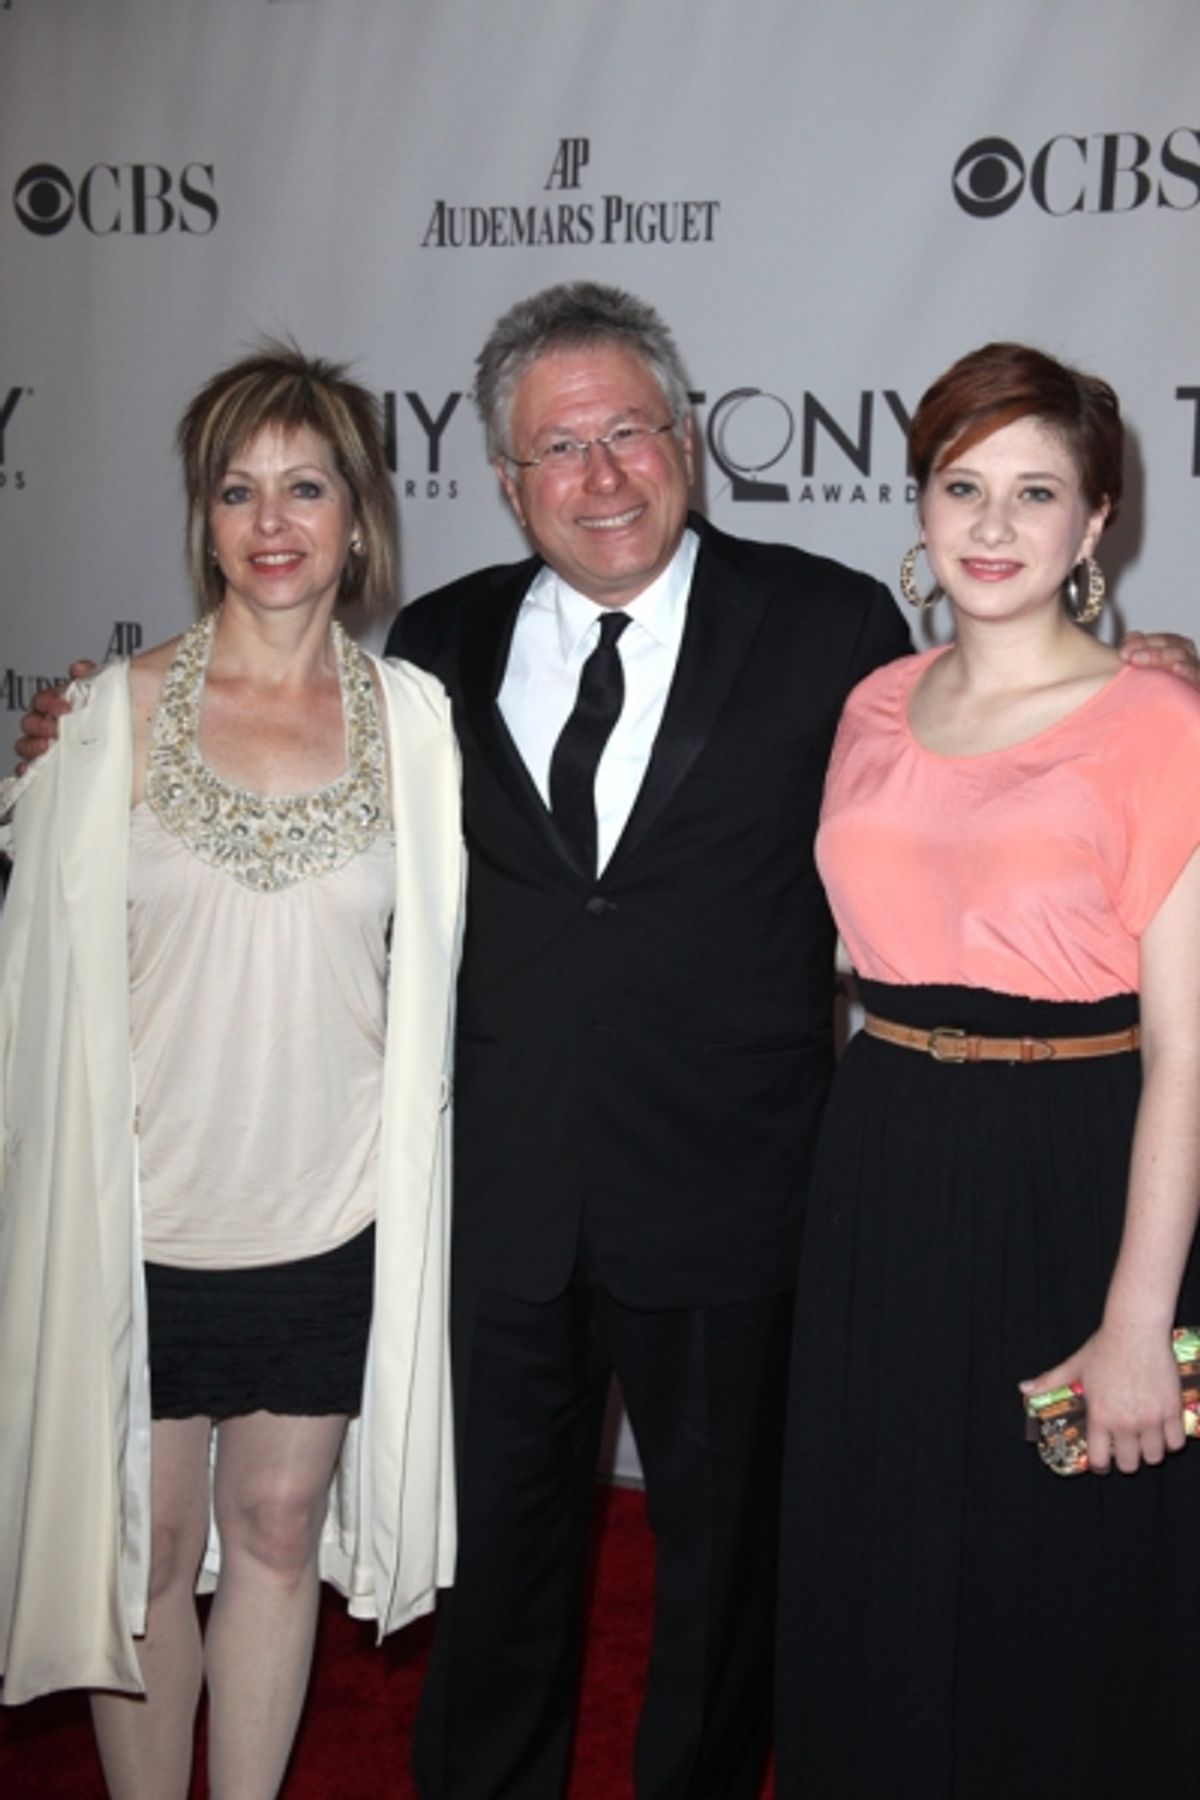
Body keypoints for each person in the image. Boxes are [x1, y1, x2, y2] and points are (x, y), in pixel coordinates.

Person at [13, 291, 1199, 1800]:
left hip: (747, 1207)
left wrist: (1152, 665)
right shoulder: (429, 658)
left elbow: (1015, 733)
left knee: (719, 1605)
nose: (604, 472)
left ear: (689, 443)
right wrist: (83, 725)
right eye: (558, 447)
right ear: (505, 485)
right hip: (497, 1208)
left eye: (633, 429)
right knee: (497, 1589)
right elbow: (271, 771)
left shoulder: (834, 628)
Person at [0, 346, 464, 1800]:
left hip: (329, 1217)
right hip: (138, 1225)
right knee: (141, 1555)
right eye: (237, 489)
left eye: (306, 486)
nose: (273, 521)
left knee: (276, 1534)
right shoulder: (99, 721)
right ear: (203, 519)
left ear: (358, 515)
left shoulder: (420, 727)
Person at [775, 343, 1200, 1799]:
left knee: (1073, 1574)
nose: (996, 527)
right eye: (964, 486)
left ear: (1096, 527)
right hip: (882, 1159)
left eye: (1038, 493)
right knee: (877, 1546)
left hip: (1080, 1172)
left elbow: (1192, 1061)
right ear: (921, 504)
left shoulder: (1167, 726)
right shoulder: (873, 707)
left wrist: (1144, 1319)